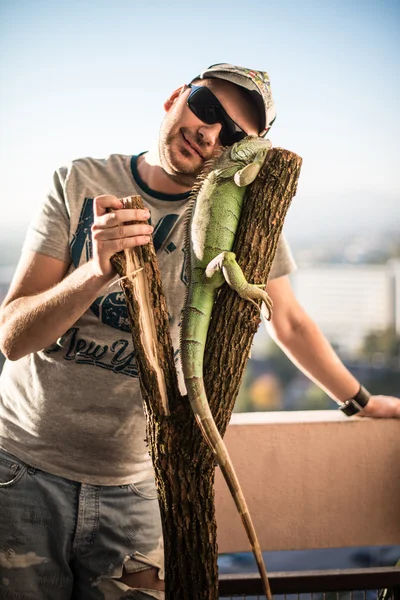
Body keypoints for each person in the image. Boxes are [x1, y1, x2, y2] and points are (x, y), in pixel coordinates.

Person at [0, 62, 399, 600]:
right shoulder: (79, 181)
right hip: (22, 470)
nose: (210, 133)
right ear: (175, 98)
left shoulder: (246, 212)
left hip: (137, 485)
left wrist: (358, 400)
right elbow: (12, 336)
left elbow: (290, 321)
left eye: (234, 133)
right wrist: (95, 271)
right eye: (207, 107)